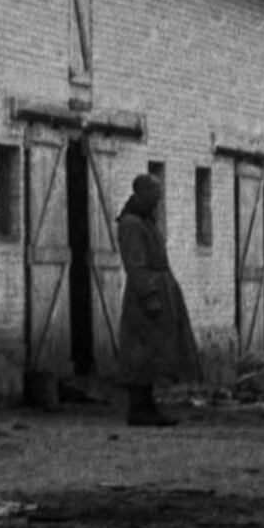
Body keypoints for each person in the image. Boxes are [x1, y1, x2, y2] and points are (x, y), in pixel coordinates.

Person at [114, 167, 199, 427]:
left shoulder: (145, 221)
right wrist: (150, 296)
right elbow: (136, 265)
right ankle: (139, 409)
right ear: (140, 194)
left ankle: (148, 405)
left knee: (154, 352)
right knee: (141, 352)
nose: (158, 200)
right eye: (154, 194)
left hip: (158, 291)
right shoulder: (131, 224)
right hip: (144, 297)